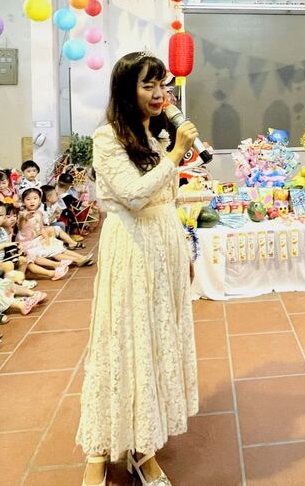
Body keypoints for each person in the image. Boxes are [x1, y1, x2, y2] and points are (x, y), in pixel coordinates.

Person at [77, 51, 200, 486]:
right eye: (148, 85)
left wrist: (183, 249)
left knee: (156, 342)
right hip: (131, 246)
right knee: (123, 340)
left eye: (162, 84)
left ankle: (143, 447)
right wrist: (177, 154)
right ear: (127, 90)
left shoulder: (158, 133)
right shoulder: (108, 137)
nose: (159, 93)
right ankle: (100, 449)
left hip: (164, 242)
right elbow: (133, 195)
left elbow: (166, 198)